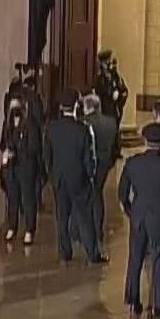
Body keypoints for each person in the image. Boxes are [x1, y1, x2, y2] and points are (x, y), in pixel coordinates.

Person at [120, 122, 160, 316]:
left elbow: (122, 194)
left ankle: (132, 300)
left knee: (135, 260)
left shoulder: (132, 163)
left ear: (145, 140)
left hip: (138, 217)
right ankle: (159, 304)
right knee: (159, 262)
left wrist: (132, 212)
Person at [46, 95, 105, 265]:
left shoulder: (52, 128)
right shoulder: (83, 129)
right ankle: (93, 254)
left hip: (59, 180)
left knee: (62, 218)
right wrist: (91, 175)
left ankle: (65, 253)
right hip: (79, 180)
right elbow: (89, 157)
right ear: (75, 107)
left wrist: (52, 174)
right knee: (85, 218)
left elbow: (47, 155)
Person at [0, 96, 42, 245]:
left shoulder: (30, 125)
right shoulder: (7, 125)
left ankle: (30, 229)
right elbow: (2, 143)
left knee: (28, 198)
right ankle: (12, 226)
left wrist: (18, 152)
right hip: (10, 167)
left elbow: (34, 147)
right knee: (12, 198)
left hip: (26, 166)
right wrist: (6, 152)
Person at [81, 92, 120, 240]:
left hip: (88, 164)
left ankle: (88, 230)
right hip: (105, 164)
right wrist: (109, 163)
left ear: (88, 107)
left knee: (89, 196)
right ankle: (97, 230)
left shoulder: (83, 122)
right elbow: (117, 148)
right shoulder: (111, 122)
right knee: (97, 193)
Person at [95, 50, 130, 122]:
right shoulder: (100, 79)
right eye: (107, 63)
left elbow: (124, 91)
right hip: (105, 111)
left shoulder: (116, 77)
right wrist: (111, 94)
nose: (111, 65)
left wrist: (119, 95)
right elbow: (100, 92)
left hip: (116, 110)